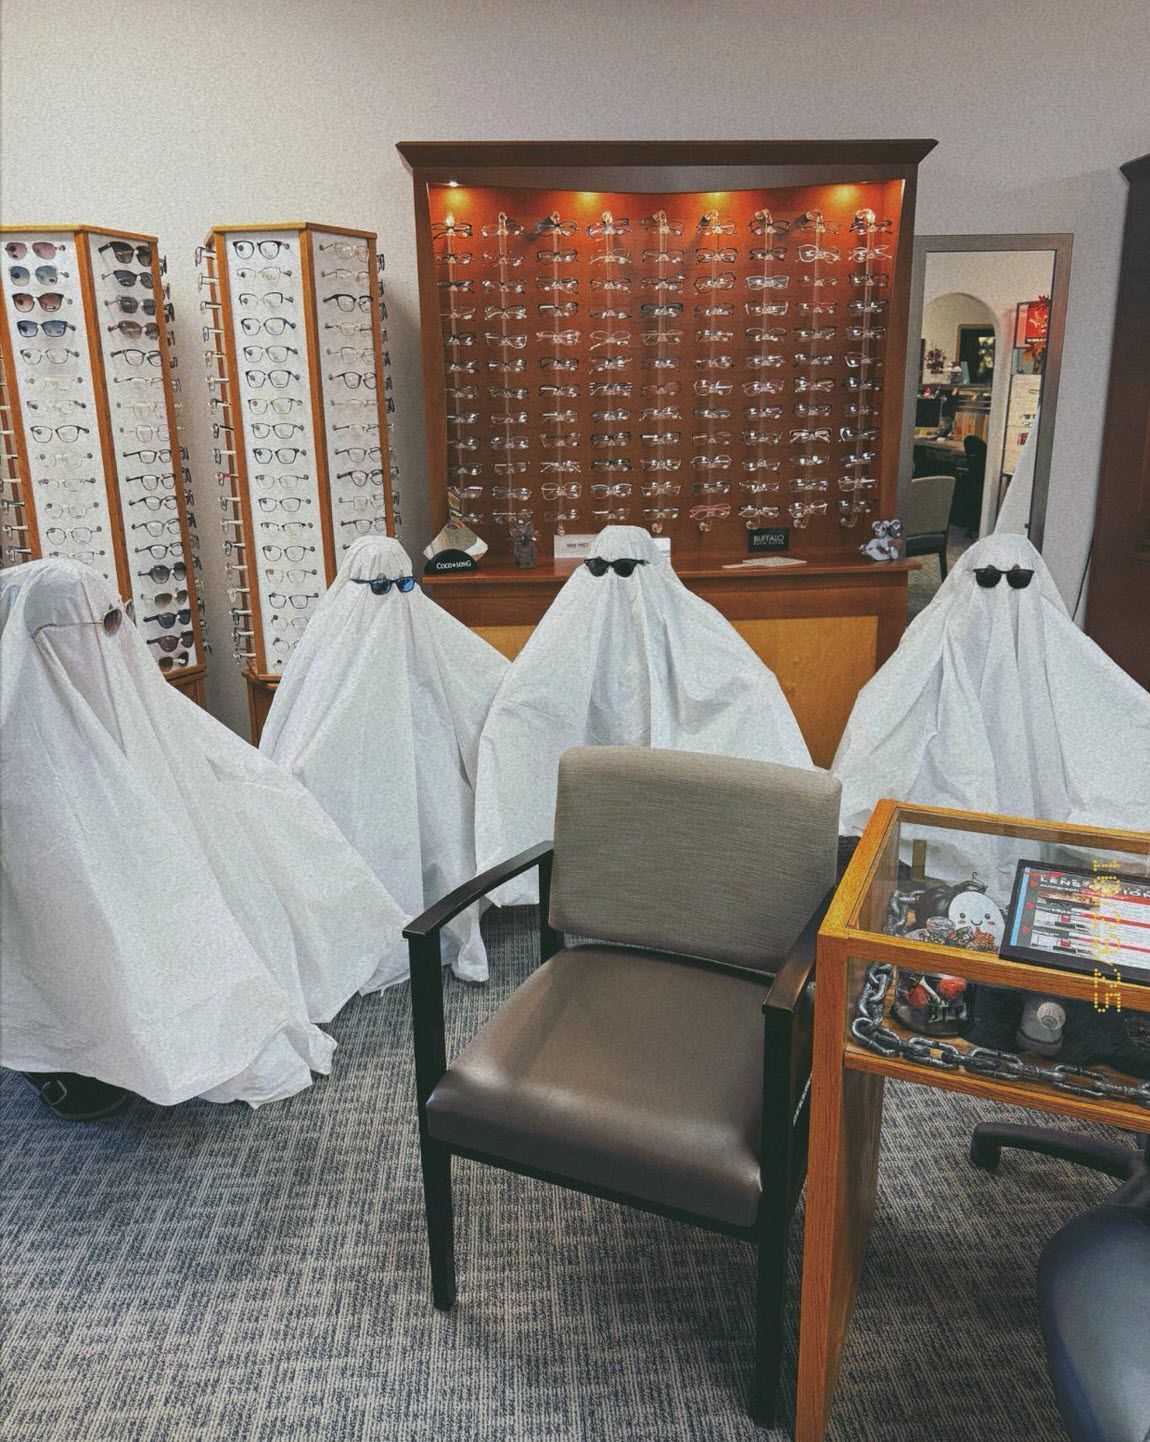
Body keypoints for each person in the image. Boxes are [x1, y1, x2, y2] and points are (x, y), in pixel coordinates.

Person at [0, 559, 408, 1111]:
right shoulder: (19, 744)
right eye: (86, 630)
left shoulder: (131, 694)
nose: (104, 643)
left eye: (116, 622)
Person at [473, 526, 813, 907]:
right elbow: (528, 694)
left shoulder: (641, 613)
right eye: (602, 569)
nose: (617, 582)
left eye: (626, 570)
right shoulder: (578, 622)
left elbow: (736, 678)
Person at [261, 537, 508, 981]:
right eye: (379, 587)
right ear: (356, 586)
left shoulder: (423, 629)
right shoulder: (335, 652)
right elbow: (308, 729)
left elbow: (482, 679)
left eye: (404, 584)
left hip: (431, 767)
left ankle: (441, 914)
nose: (393, 595)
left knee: (444, 826)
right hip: (358, 781)